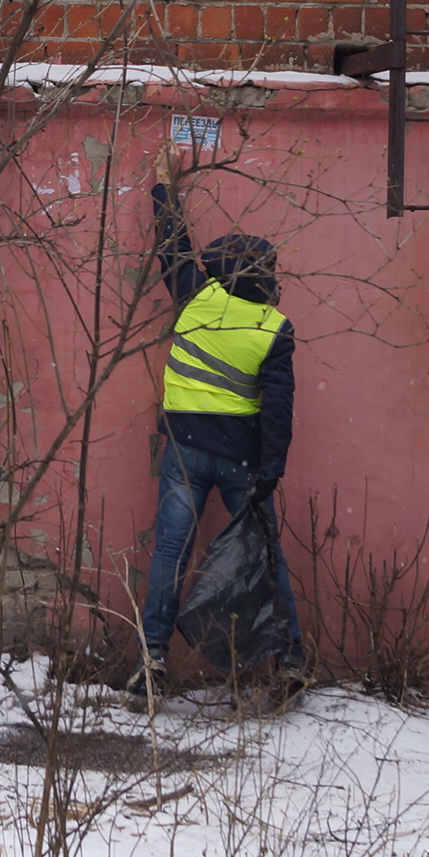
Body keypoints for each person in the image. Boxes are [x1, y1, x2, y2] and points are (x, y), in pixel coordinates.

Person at [131, 139, 305, 702]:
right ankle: (290, 661)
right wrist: (270, 473)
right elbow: (278, 409)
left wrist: (165, 185)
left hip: (183, 451)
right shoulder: (274, 327)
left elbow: (173, 242)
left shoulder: (196, 297)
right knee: (263, 558)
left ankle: (153, 658)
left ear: (221, 273)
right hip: (242, 461)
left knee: (170, 553)